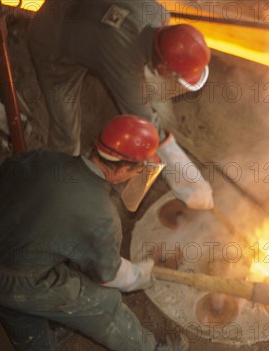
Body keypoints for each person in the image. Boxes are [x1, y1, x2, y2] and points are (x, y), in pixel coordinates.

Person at [0, 115, 188, 351]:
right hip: (21, 282)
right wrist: (145, 273)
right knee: (102, 304)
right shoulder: (101, 215)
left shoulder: (40, 158)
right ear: (125, 169)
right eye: (140, 170)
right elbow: (108, 275)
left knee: (13, 309)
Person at [26, 0, 214, 210]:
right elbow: (148, 124)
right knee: (66, 132)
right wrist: (188, 183)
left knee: (144, 95)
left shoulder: (158, 13)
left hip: (83, 16)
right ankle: (57, 193)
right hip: (53, 38)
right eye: (174, 76)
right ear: (162, 65)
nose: (173, 80)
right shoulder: (123, 59)